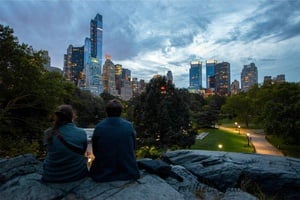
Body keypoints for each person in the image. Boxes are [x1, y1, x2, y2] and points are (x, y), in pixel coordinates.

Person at [90, 99, 140, 182]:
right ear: (121, 112)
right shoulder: (129, 126)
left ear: (106, 111)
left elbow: (95, 151)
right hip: (129, 171)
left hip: (103, 173)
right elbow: (133, 147)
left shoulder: (99, 127)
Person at [42, 105, 88, 182]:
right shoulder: (81, 133)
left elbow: (49, 151)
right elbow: (82, 152)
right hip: (76, 174)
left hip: (51, 175)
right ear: (72, 116)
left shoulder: (48, 133)